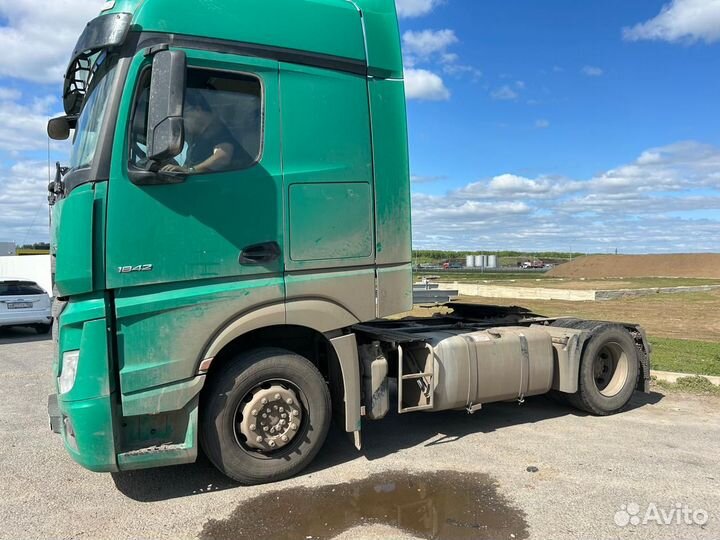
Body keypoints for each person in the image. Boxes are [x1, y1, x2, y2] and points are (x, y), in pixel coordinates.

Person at [161, 89, 249, 174]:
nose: (182, 121)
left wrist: (190, 171)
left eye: (184, 114)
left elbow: (223, 157)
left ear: (198, 109)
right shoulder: (200, 137)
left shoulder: (218, 130)